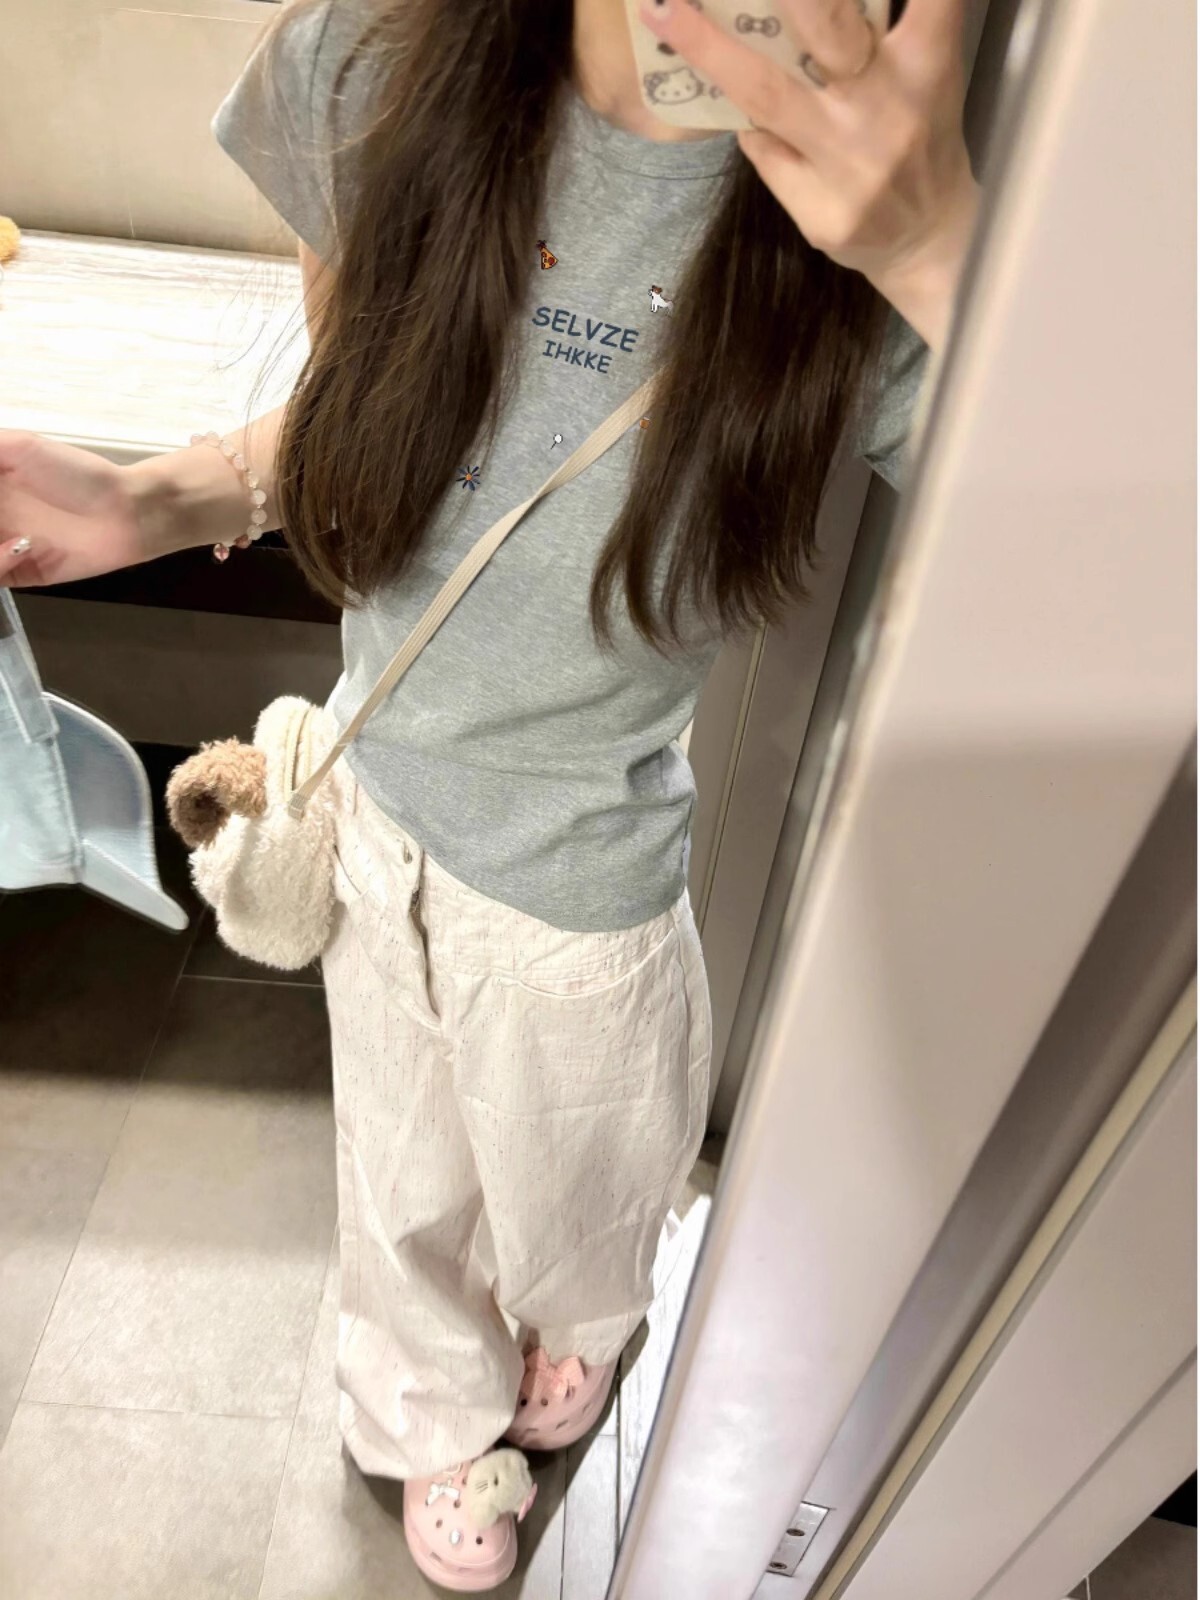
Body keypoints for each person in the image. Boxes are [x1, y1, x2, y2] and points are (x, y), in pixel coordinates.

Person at [0, 0, 978, 1586]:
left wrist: (939, 253)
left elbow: (1122, 581)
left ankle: (575, 1328)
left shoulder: (883, 199)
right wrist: (157, 494)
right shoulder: (372, 56)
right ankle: (427, 1418)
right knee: (398, 1191)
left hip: (592, 868)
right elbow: (371, 412)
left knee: (591, 1194)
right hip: (381, 805)